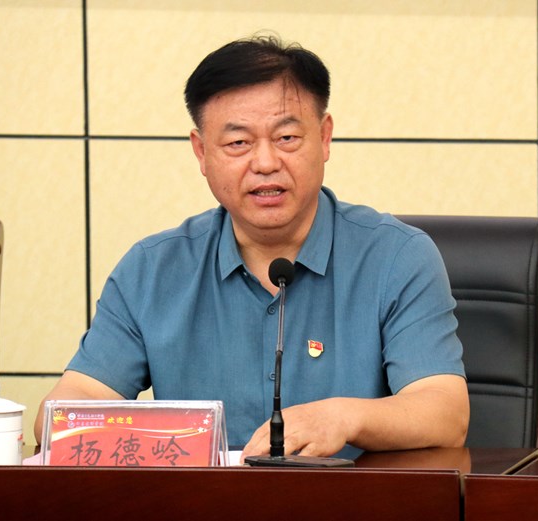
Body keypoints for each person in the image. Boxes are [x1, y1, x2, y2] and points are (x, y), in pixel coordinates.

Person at [34, 35, 469, 460]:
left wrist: (343, 418)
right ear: (202, 152)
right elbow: (67, 411)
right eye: (238, 143)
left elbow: (446, 413)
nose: (265, 163)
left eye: (287, 138)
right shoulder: (152, 270)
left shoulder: (396, 257)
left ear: (325, 137)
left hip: (349, 498)